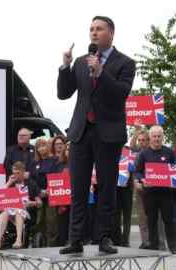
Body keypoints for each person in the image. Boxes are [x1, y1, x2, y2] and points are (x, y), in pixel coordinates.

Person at [57, 16, 136, 254]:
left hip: (108, 133)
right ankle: (75, 239)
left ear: (111, 33)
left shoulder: (125, 62)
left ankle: (104, 238)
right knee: (79, 187)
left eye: (99, 29)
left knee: (107, 187)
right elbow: (63, 93)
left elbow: (121, 93)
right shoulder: (80, 62)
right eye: (91, 29)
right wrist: (65, 66)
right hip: (81, 132)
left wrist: (101, 73)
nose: (93, 32)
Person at [134, 125, 176, 256]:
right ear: (150, 137)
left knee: (169, 220)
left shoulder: (168, 152)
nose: (156, 138)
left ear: (162, 137)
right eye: (154, 136)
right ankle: (153, 247)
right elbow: (137, 172)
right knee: (151, 220)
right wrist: (141, 180)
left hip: (166, 193)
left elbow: (174, 170)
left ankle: (173, 247)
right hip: (150, 193)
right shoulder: (143, 153)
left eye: (159, 136)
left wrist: (173, 181)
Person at [0, 161, 41, 249]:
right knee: (5, 213)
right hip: (10, 212)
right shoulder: (11, 184)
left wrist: (32, 203)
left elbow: (39, 202)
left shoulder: (31, 184)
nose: (15, 175)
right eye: (14, 173)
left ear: (23, 172)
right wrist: (9, 182)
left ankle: (18, 240)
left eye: (18, 173)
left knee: (19, 211)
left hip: (25, 211)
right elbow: (0, 195)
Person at [31, 138, 60, 247]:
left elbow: (56, 176)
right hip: (39, 196)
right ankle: (39, 245)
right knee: (39, 221)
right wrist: (38, 192)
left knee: (51, 221)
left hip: (51, 195)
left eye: (43, 145)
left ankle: (51, 245)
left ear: (48, 146)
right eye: (39, 147)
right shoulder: (34, 162)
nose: (41, 148)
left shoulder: (55, 160)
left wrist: (49, 189)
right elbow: (32, 180)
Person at [51, 136, 70, 246]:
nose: (67, 150)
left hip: (73, 199)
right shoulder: (57, 164)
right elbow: (53, 180)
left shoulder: (77, 164)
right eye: (66, 149)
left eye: (68, 148)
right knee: (62, 222)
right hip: (61, 199)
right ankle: (62, 242)